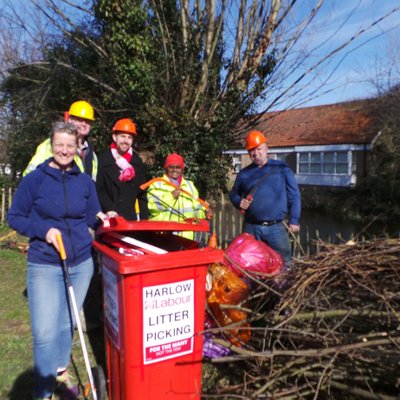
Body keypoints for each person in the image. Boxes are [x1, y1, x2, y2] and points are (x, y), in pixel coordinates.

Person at [7, 121, 107, 400]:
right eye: (59, 144)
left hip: (81, 263)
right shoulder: (35, 180)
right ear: (52, 146)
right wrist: (43, 230)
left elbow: (91, 215)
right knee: (45, 331)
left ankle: (60, 372)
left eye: (69, 145)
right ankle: (43, 390)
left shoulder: (84, 181)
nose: (64, 150)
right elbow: (14, 216)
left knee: (67, 323)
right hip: (45, 264)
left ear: (78, 148)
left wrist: (103, 220)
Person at [229, 130, 301, 268]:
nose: (256, 153)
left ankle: (281, 290)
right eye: (252, 151)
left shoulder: (281, 168)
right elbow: (233, 194)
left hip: (276, 228)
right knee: (249, 263)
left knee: (284, 264)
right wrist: (239, 201)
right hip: (251, 227)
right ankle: (254, 289)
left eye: (259, 149)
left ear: (267, 149)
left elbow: (294, 194)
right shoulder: (244, 174)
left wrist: (294, 219)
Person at [23, 100, 98, 181]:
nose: (83, 124)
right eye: (79, 119)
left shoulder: (91, 154)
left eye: (88, 121)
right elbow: (29, 177)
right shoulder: (50, 145)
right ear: (69, 119)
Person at [147, 152, 211, 240]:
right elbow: (152, 207)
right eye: (171, 167)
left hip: (186, 238)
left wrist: (204, 213)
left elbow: (195, 211)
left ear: (182, 169)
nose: (175, 170)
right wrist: (171, 196)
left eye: (178, 167)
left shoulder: (190, 186)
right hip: (162, 237)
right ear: (166, 168)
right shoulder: (156, 184)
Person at [96, 118, 149, 220]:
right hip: (108, 218)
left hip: (130, 220)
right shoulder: (103, 160)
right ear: (114, 137)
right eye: (122, 136)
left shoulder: (137, 163)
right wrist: (109, 209)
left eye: (129, 137)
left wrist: (144, 220)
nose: (125, 141)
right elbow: (99, 189)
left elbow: (142, 194)